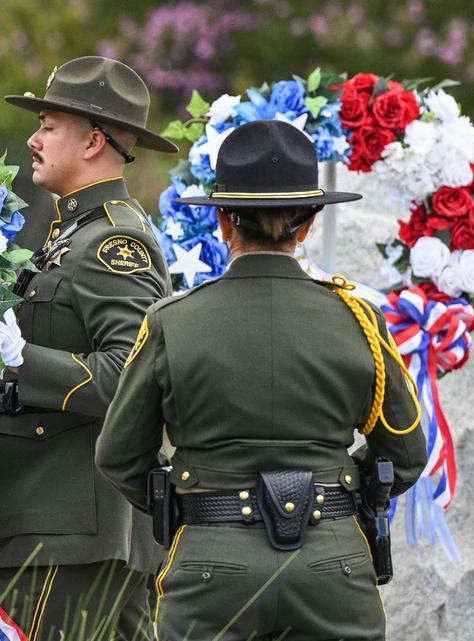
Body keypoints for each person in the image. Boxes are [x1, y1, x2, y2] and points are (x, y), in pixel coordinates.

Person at [97, 120, 428, 641]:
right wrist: (339, 492)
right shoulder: (358, 319)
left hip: (211, 564)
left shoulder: (172, 321)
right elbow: (405, 454)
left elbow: (118, 455)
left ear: (224, 222)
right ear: (309, 223)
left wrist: (188, 501)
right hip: (332, 563)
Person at [0, 56, 176, 641]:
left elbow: (132, 377)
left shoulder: (113, 240)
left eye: (49, 124)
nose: (33, 138)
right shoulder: (70, 233)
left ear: (93, 141)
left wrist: (13, 358)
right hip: (62, 521)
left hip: (69, 524)